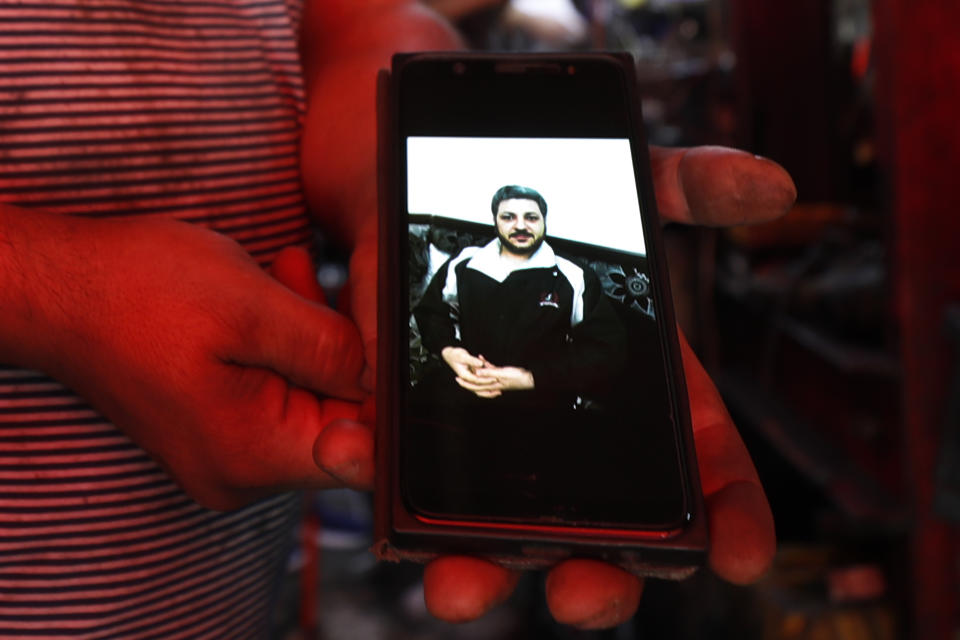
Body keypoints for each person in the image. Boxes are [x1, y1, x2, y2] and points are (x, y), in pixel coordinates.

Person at [0, 1, 791, 635]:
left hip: (222, 597)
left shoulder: (577, 276)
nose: (519, 225)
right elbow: (432, 322)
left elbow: (336, 23)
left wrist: (393, 171)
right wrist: (49, 298)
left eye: (530, 213)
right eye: (508, 212)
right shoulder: (459, 268)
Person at [414, 185, 626, 404]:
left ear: (545, 221)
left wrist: (530, 378)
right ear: (495, 221)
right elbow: (431, 313)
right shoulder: (465, 263)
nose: (521, 226)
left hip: (543, 399)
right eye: (508, 217)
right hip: (468, 388)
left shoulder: (574, 275)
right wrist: (449, 351)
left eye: (531, 218)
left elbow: (606, 350)